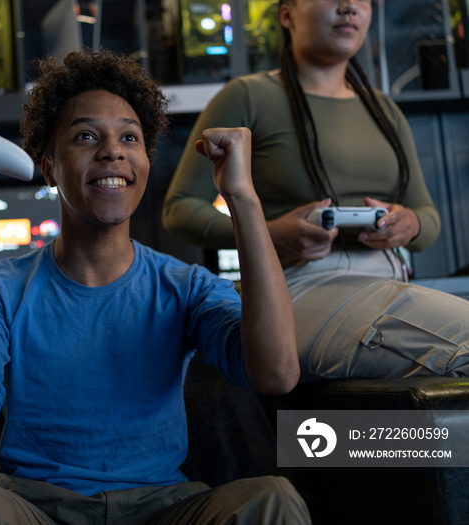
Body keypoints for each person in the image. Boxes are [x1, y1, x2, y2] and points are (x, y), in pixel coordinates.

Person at [0, 50, 310, 524]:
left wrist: (242, 198)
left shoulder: (186, 286)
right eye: (85, 136)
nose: (112, 150)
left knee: (272, 500)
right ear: (50, 167)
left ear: (144, 162)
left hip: (163, 507)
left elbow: (277, 374)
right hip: (37, 508)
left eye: (130, 137)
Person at [163, 0, 469, 381]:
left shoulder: (384, 110)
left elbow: (428, 218)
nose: (349, 8)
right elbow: (179, 208)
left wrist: (410, 224)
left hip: (392, 280)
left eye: (361, 0)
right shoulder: (247, 96)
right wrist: (271, 234)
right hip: (295, 289)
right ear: (287, 14)